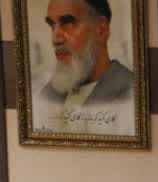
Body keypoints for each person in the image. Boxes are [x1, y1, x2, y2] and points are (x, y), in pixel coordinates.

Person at [35, 0, 134, 134]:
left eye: (68, 23)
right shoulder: (48, 94)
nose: (55, 39)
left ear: (101, 30)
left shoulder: (130, 93)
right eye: (52, 25)